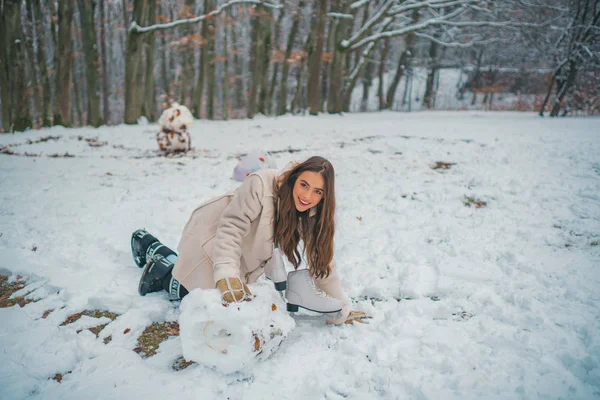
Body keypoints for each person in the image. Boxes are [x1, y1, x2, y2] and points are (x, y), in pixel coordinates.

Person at [131, 156, 367, 324]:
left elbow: (323, 261)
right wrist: (226, 273)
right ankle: (158, 261)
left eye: (318, 191)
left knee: (231, 303)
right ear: (295, 178)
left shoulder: (313, 213)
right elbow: (231, 228)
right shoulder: (261, 184)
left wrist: (340, 307)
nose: (307, 196)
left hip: (239, 251)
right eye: (304, 185)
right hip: (211, 235)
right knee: (192, 296)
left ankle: (168, 261)